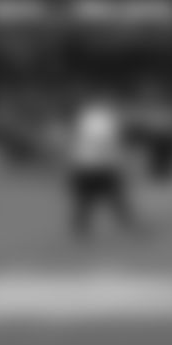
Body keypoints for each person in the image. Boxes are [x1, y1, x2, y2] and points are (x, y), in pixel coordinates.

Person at [65, 98, 139, 239]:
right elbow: (106, 144)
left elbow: (106, 144)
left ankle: (81, 229)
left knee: (93, 200)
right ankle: (81, 229)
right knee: (97, 199)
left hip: (87, 166)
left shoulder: (90, 121)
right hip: (95, 167)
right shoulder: (101, 122)